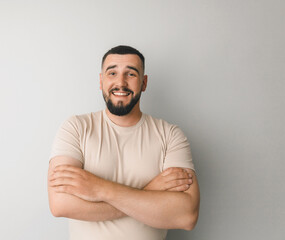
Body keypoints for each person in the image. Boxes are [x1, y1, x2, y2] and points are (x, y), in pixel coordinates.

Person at [48, 45, 200, 240]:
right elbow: (60, 204)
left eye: (131, 74)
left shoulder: (170, 135)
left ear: (144, 83)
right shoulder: (76, 128)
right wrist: (150, 190)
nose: (120, 83)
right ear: (101, 81)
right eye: (112, 73)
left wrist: (98, 188)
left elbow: (186, 216)